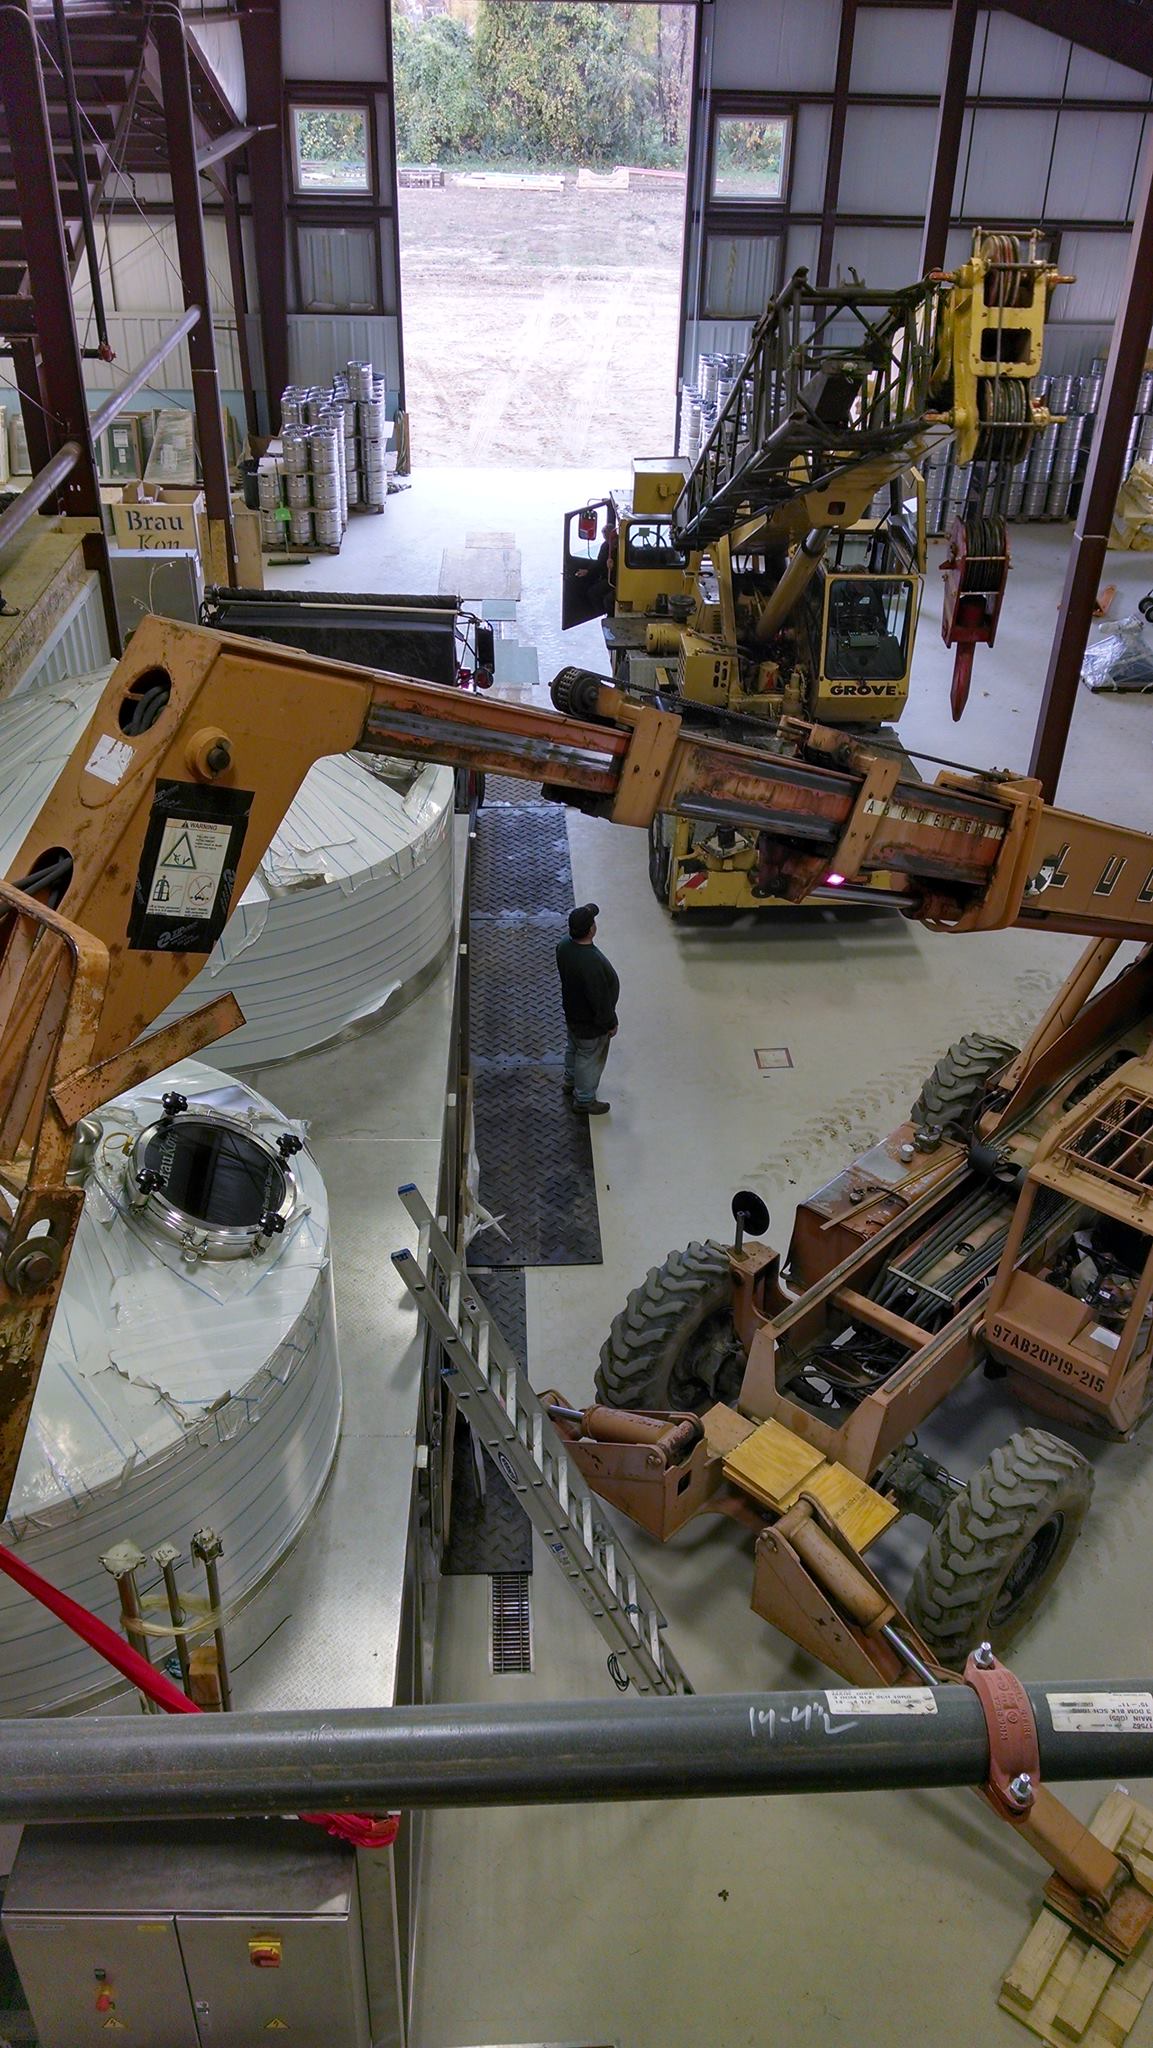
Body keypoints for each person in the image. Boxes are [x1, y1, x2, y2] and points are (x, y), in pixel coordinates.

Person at [555, 902, 619, 1116]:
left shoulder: (564, 946)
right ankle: (584, 1100)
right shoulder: (590, 963)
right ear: (591, 929)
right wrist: (610, 1023)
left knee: (573, 1047)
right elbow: (599, 999)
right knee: (588, 1057)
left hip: (572, 1013)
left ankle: (569, 1081)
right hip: (590, 1022)